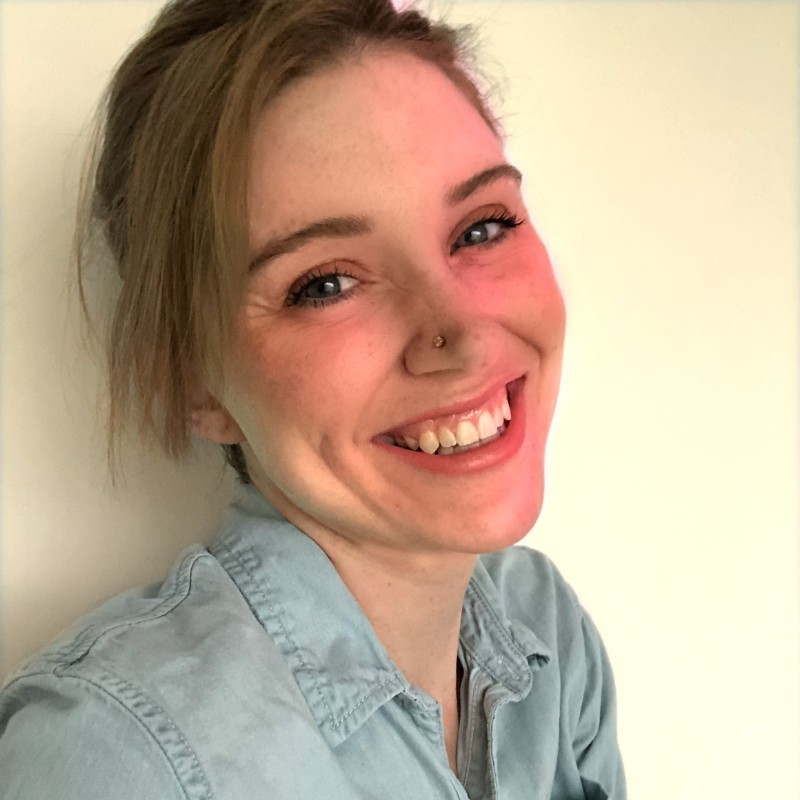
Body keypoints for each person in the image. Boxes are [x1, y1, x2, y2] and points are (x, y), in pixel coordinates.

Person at [0, 0, 625, 797]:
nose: (464, 335)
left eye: (481, 228)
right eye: (326, 283)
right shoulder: (116, 756)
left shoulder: (547, 631)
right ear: (193, 380)